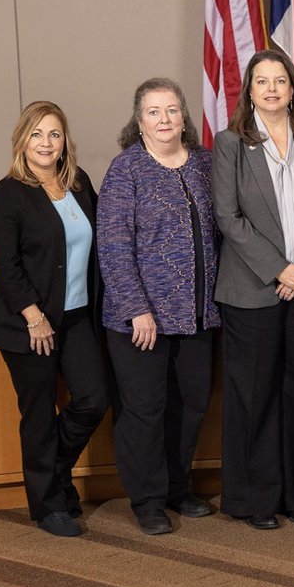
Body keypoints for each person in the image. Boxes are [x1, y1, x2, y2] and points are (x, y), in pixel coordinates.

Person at [98, 78, 219, 535]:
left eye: (171, 110)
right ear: (139, 120)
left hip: (197, 314)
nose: (164, 119)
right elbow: (112, 246)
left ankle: (177, 487)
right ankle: (147, 499)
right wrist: (136, 308)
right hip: (141, 320)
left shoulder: (205, 164)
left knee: (190, 404)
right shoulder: (125, 170)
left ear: (183, 116)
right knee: (145, 409)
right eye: (153, 111)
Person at [213, 48, 294, 530]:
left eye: (281, 80)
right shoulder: (231, 143)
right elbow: (228, 217)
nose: (273, 89)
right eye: (263, 81)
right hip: (251, 292)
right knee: (254, 397)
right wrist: (279, 269)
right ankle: (254, 498)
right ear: (250, 90)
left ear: (293, 87)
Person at [0, 101, 110, 537]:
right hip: (28, 322)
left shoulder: (77, 183)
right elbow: (6, 264)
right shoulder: (8, 193)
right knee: (37, 413)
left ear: (64, 142)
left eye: (54, 134)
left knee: (95, 398)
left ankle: (53, 473)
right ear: (22, 140)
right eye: (37, 134)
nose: (45, 143)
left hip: (75, 317)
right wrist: (34, 316)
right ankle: (49, 506)